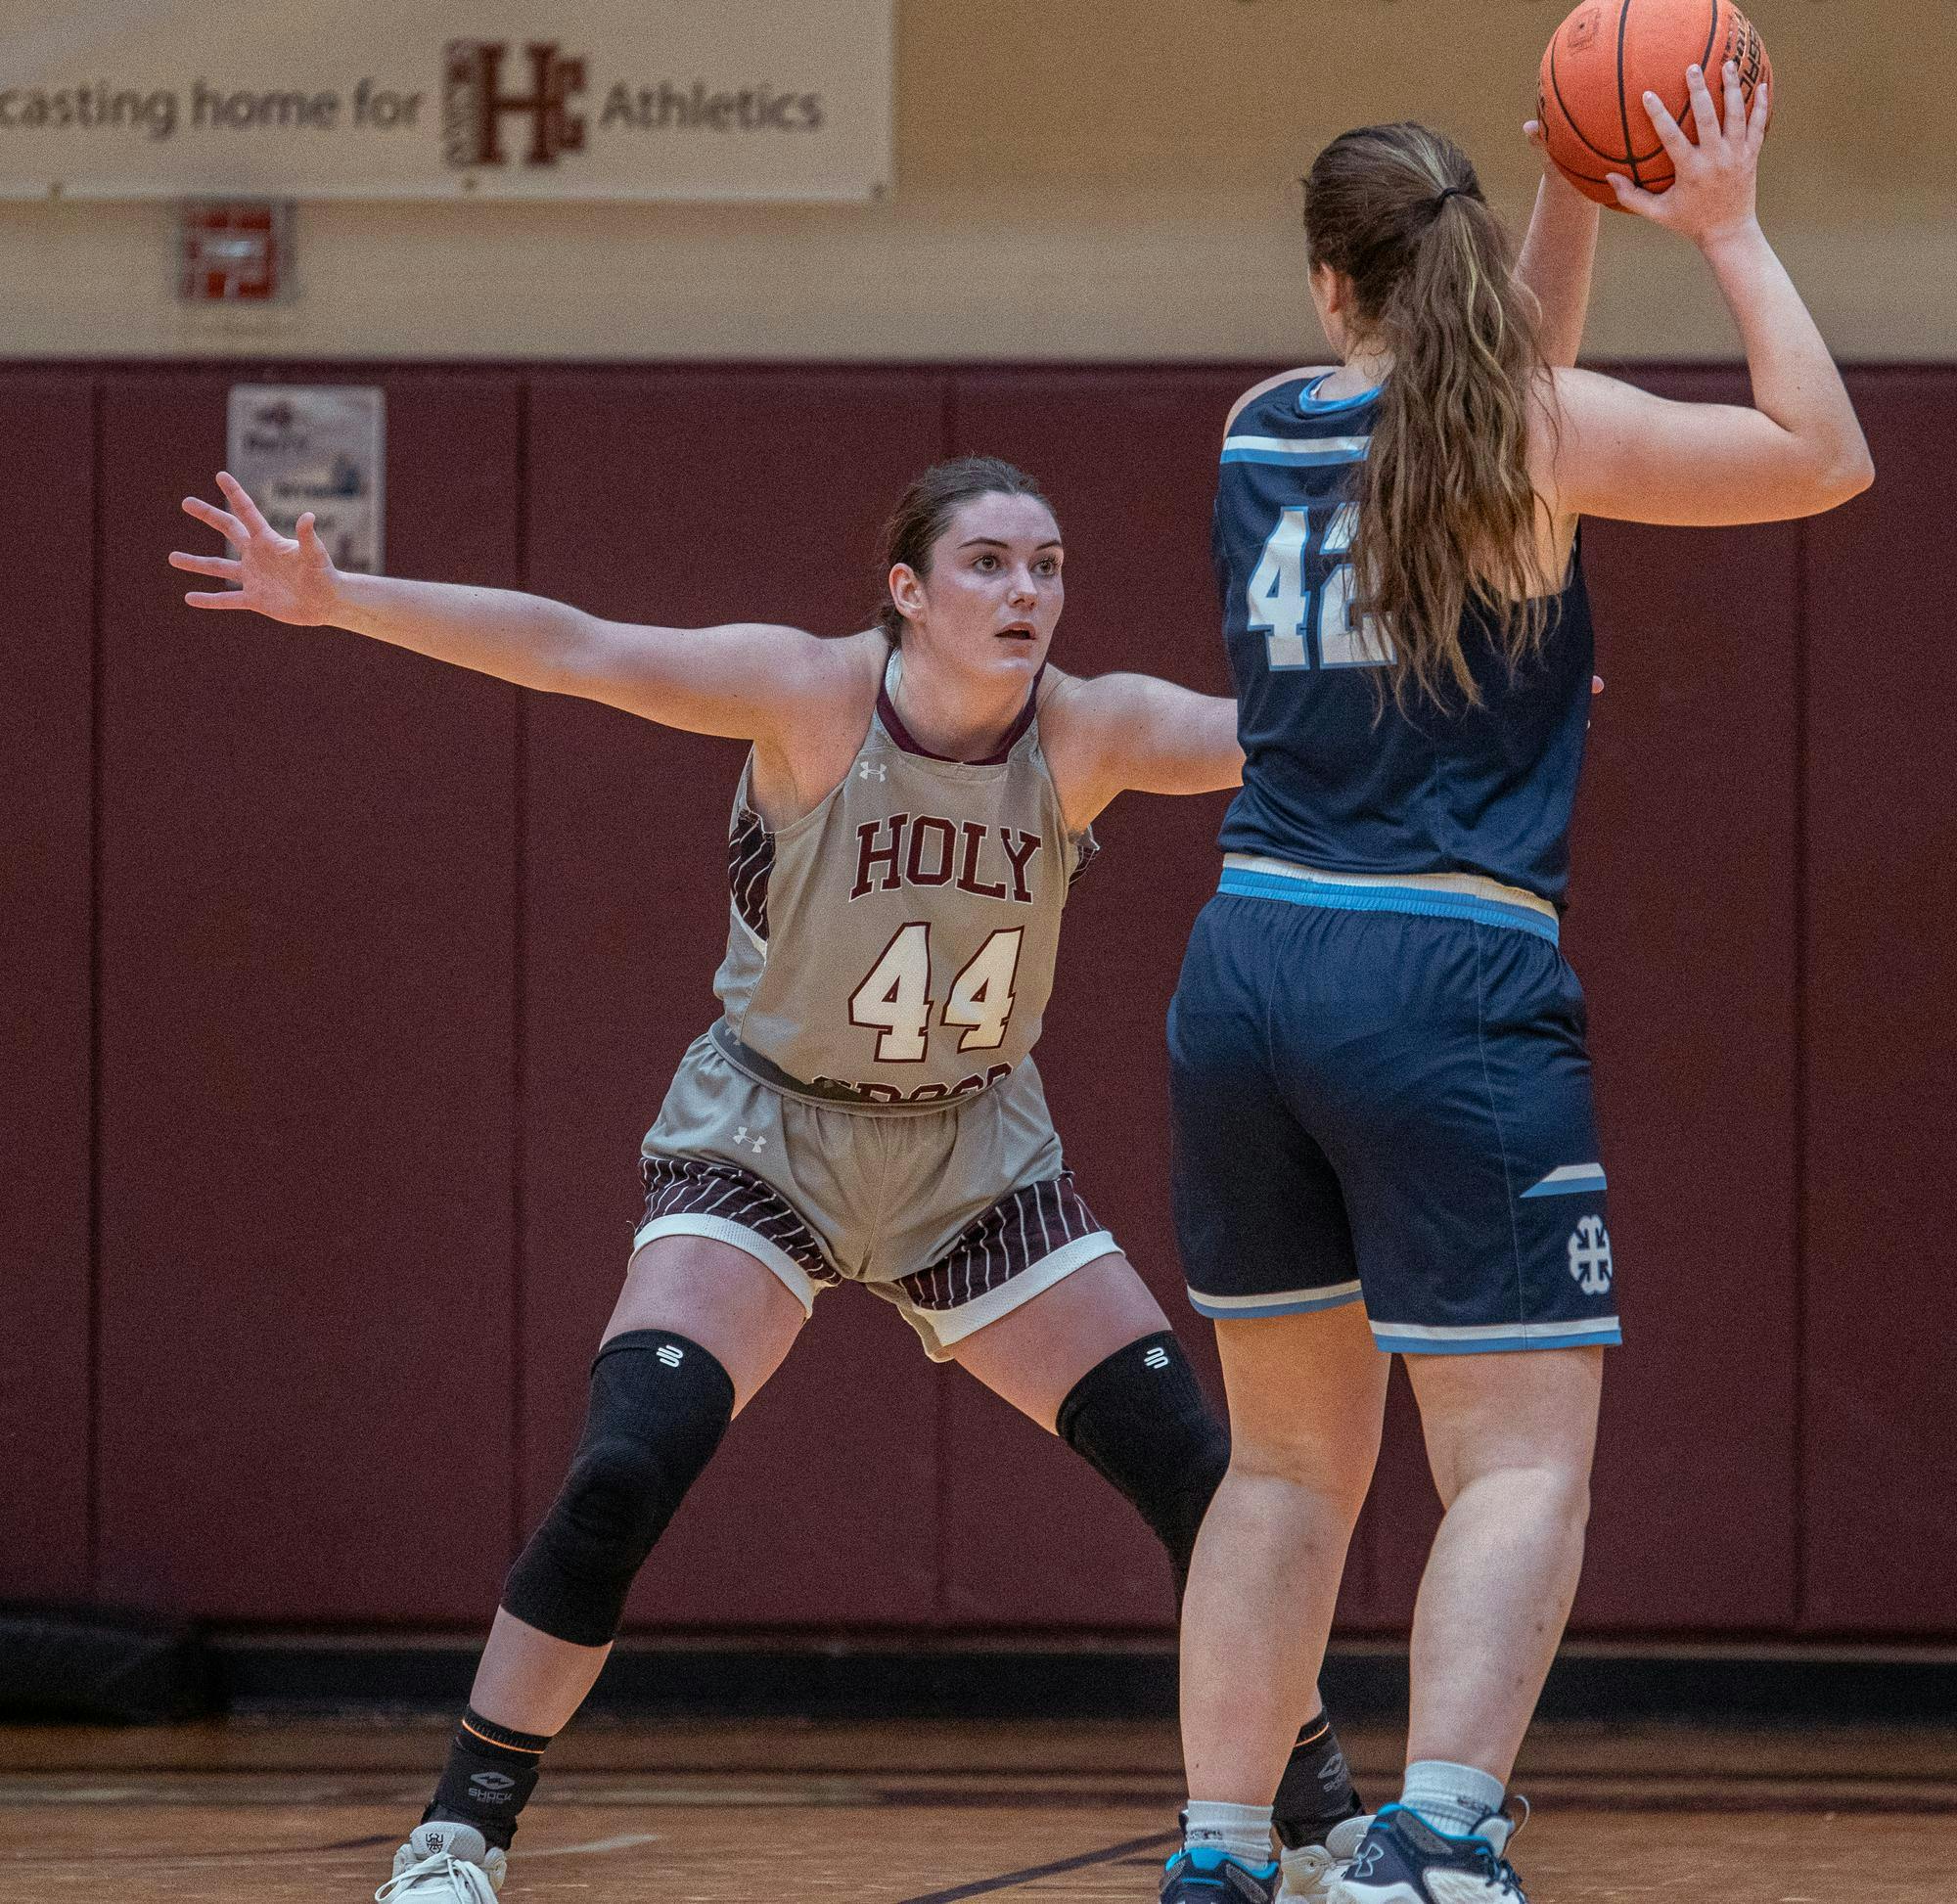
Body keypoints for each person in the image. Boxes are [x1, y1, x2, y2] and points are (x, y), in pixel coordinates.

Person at [170, 455, 1368, 1904]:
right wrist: (339, 597)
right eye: (989, 563)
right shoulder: (810, 695)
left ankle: (1323, 1824)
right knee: (629, 1459)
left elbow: (1280, 733)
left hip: (977, 1157)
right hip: (767, 1138)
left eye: (1048, 564)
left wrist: (1466, 701)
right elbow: (575, 645)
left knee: (1203, 1478)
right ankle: (461, 1830)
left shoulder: (1089, 728)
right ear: (907, 592)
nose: (1029, 591)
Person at [1161, 63, 1871, 1904]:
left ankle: (1225, 1852)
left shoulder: (1259, 428)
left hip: (1245, 966)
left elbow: (1475, 409)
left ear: (1330, 284)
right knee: (1520, 1462)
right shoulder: (1535, 441)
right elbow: (1823, 452)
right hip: (1442, 970)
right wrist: (1710, 221)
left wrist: (1569, 190)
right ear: (1469, 253)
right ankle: (1439, 1838)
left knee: (1285, 1469)